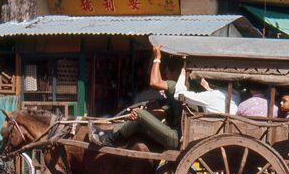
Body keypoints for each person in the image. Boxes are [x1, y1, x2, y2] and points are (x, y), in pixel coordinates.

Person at [88, 44, 238, 149]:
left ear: (174, 73)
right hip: (177, 131)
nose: (165, 75)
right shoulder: (192, 91)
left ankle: (110, 139)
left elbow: (154, 81)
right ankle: (111, 133)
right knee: (139, 116)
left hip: (176, 136)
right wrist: (147, 114)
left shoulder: (177, 87)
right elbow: (165, 111)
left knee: (140, 115)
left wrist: (157, 57)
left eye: (167, 72)